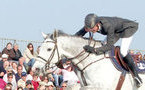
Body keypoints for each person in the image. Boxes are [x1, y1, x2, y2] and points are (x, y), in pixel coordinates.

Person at [75, 13, 142, 87]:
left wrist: (94, 50)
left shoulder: (108, 26)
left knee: (123, 51)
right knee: (102, 44)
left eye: (93, 29)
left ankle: (136, 77)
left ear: (97, 24)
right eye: (89, 29)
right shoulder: (90, 25)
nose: (91, 31)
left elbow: (109, 46)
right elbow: (78, 35)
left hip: (128, 28)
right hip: (116, 30)